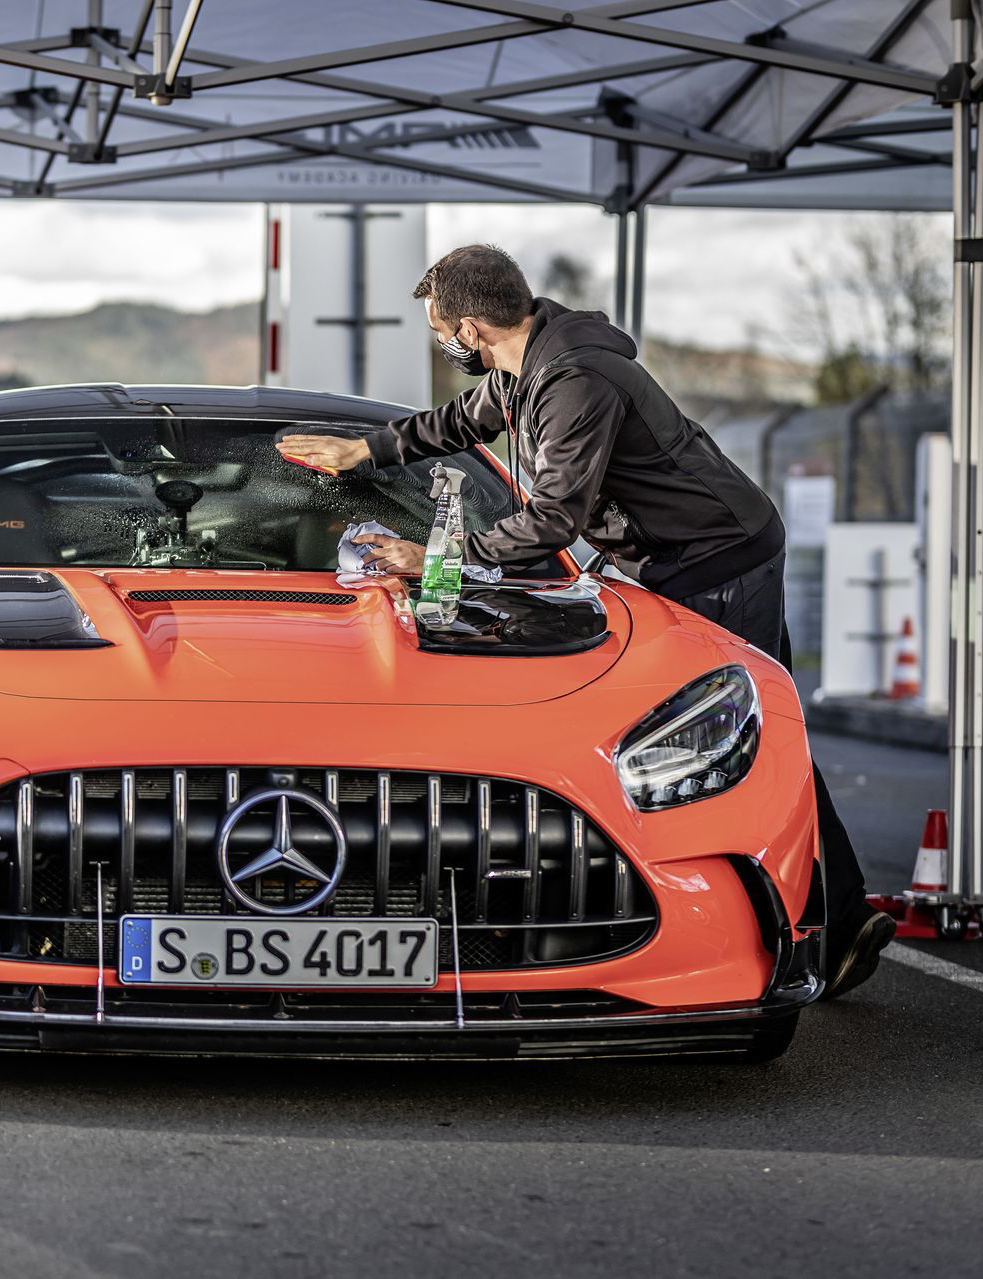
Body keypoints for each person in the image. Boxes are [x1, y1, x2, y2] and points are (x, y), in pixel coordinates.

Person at [276, 243, 894, 1000]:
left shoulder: (572, 379)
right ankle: (845, 917)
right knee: (741, 732)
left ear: (471, 327)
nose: (443, 343)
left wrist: (430, 555)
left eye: (440, 329)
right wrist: (362, 450)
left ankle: (801, 932)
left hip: (717, 558)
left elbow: (550, 523)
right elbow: (454, 424)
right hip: (680, 554)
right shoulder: (524, 364)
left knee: (733, 735)